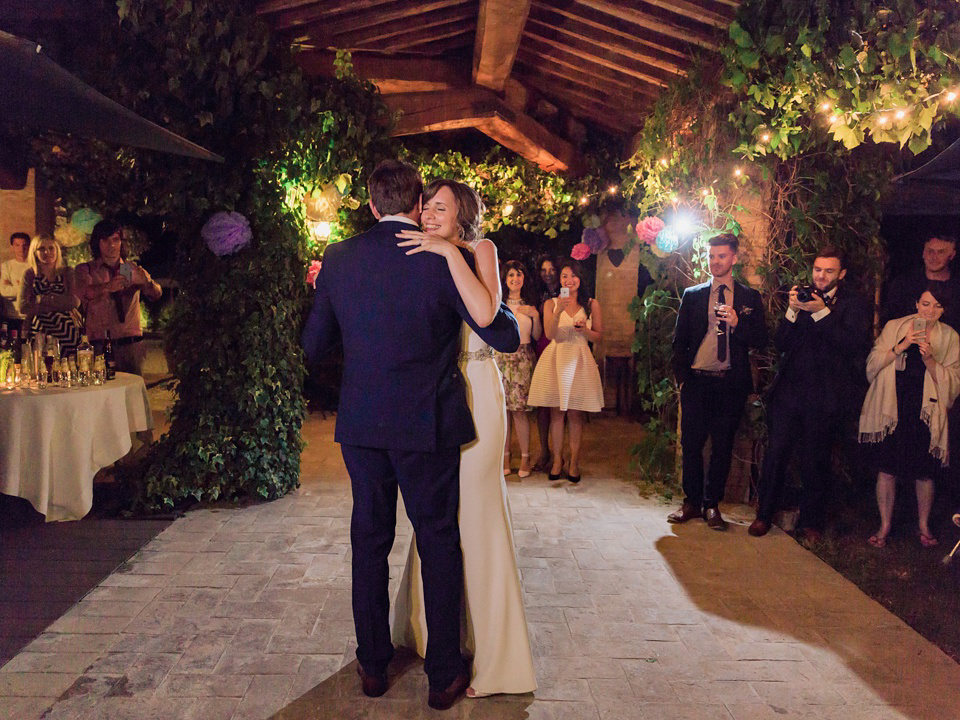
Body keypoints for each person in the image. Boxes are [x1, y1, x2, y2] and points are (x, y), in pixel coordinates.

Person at [301, 160, 521, 711]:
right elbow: (498, 329)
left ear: (372, 206)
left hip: (363, 424)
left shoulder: (340, 257)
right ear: (417, 203)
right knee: (439, 539)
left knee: (369, 540)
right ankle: (443, 675)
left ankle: (373, 666)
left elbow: (312, 346)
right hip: (428, 423)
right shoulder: (437, 261)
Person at [392, 179, 537, 698]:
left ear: (462, 216)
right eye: (425, 207)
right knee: (438, 515)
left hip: (477, 387)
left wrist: (448, 251)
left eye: (440, 208)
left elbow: (487, 312)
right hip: (438, 393)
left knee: (476, 515)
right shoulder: (420, 254)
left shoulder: (480, 250)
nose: (429, 215)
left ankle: (498, 660)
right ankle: (436, 636)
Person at [749, 247, 872, 542]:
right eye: (818, 269)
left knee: (815, 460)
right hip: (790, 393)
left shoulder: (854, 304)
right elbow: (781, 343)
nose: (821, 276)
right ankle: (763, 516)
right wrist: (792, 311)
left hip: (825, 396)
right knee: (775, 455)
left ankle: (811, 523)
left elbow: (853, 346)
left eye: (829, 271)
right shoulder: (803, 299)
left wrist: (821, 313)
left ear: (841, 274)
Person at [668, 233, 767, 530]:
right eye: (711, 256)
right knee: (692, 444)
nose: (715, 262)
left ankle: (712, 505)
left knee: (723, 446)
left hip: (729, 384)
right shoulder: (694, 295)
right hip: (697, 382)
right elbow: (679, 342)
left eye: (721, 256)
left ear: (734, 258)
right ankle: (691, 502)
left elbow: (761, 340)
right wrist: (682, 379)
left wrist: (739, 324)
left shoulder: (749, 298)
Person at [859, 283, 960, 548]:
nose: (930, 310)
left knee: (924, 471)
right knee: (887, 468)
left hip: (925, 409)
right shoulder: (895, 326)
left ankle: (923, 525)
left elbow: (954, 382)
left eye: (937, 306)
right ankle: (884, 525)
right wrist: (902, 345)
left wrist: (930, 360)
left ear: (943, 310)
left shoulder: (949, 337)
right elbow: (872, 364)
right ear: (916, 304)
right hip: (893, 406)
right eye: (926, 304)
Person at [527, 259, 604, 483]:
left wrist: (586, 332)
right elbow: (550, 334)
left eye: (572, 276)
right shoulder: (551, 304)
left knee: (576, 413)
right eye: (564, 276)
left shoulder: (591, 304)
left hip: (579, 358)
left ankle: (574, 462)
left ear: (580, 278)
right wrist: (559, 309)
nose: (568, 280)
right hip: (557, 356)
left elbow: (599, 336)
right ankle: (558, 459)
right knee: (556, 413)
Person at [74, 220, 162, 375]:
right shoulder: (87, 269)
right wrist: (107, 287)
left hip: (130, 342)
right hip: (99, 344)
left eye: (115, 240)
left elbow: (156, 294)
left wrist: (147, 283)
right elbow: (84, 292)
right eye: (105, 240)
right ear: (97, 243)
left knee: (130, 392)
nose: (111, 245)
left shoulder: (128, 268)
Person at [495, 260, 541, 478]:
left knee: (520, 412)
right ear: (505, 279)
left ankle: (525, 457)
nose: (515, 279)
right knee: (503, 411)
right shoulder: (498, 303)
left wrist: (535, 316)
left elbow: (538, 336)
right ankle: (504, 456)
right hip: (501, 358)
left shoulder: (530, 305)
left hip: (523, 358)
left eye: (519, 275)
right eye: (511, 275)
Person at [16, 235, 81, 354]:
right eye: (41, 249)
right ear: (35, 252)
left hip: (66, 332)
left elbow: (74, 302)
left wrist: (41, 299)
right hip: (40, 331)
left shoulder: (67, 272)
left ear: (57, 250)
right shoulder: (30, 274)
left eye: (51, 248)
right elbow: (22, 307)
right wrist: (61, 303)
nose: (47, 252)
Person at [882, 234, 960, 331]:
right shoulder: (903, 284)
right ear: (923, 253)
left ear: (952, 255)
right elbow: (890, 321)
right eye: (930, 251)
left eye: (941, 252)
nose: (934, 257)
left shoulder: (957, 288)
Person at [533, 254, 560, 473]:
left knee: (559, 404)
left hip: (561, 345)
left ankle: (559, 455)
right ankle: (544, 451)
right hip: (541, 345)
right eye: (543, 270)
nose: (547, 274)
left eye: (551, 269)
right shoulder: (535, 294)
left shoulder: (567, 292)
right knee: (542, 404)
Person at [1, 231, 29, 320]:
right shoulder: (6, 266)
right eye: (17, 245)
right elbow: (4, 291)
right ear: (12, 247)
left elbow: (38, 291)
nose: (21, 248)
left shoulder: (35, 266)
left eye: (24, 245)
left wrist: (16, 285)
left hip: (32, 316)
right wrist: (27, 288)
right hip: (11, 316)